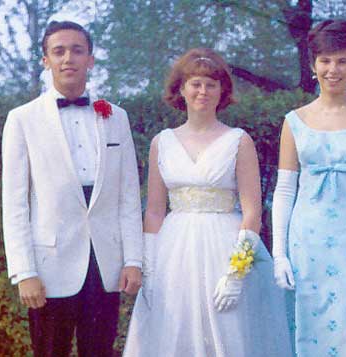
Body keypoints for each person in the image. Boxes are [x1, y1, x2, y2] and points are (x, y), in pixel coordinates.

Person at [123, 48, 292, 357]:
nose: (203, 91)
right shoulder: (162, 142)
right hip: (174, 252)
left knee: (228, 332)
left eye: (211, 84)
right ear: (181, 89)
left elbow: (253, 212)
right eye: (196, 83)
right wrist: (148, 267)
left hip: (224, 248)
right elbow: (155, 211)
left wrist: (237, 273)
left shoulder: (239, 141)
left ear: (222, 91)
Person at [1, 20, 143, 356]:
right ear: (45, 61)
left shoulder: (116, 117)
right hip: (50, 265)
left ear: (90, 59)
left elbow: (127, 196)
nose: (68, 59)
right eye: (58, 51)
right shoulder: (22, 119)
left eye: (77, 50)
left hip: (105, 262)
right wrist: (25, 271)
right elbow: (15, 205)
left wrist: (134, 259)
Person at [272, 19, 346, 356]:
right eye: (325, 61)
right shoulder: (294, 121)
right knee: (309, 334)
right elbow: (284, 190)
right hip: (307, 244)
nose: (333, 69)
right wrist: (280, 253)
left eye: (341, 60)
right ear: (313, 65)